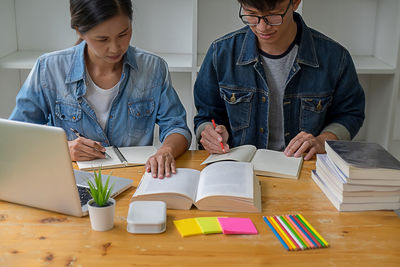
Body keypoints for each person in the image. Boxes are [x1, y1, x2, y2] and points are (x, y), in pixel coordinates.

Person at [9, 0, 191, 178]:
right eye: (102, 39)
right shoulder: (49, 68)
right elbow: (16, 136)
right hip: (74, 182)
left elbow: (177, 126)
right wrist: (64, 149)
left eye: (123, 34)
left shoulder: (153, 67)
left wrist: (166, 150)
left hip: (137, 179)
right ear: (80, 31)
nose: (115, 48)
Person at [194, 0, 365, 160]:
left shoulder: (334, 57)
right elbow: (206, 116)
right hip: (240, 167)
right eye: (251, 14)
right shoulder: (221, 53)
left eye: (273, 15)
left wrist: (322, 140)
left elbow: (350, 114)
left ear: (295, 2)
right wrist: (209, 133)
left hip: (304, 166)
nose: (262, 27)